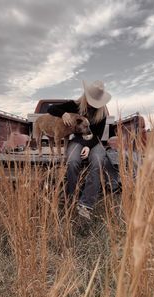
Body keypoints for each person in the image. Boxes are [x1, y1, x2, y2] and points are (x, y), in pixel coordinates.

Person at [47, 80, 111, 230]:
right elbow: (50, 108)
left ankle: (85, 206)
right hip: (77, 140)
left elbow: (99, 135)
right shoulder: (75, 105)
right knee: (72, 161)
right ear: (86, 96)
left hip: (94, 142)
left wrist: (89, 147)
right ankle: (72, 198)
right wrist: (63, 114)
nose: (92, 104)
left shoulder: (102, 113)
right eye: (91, 100)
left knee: (97, 161)